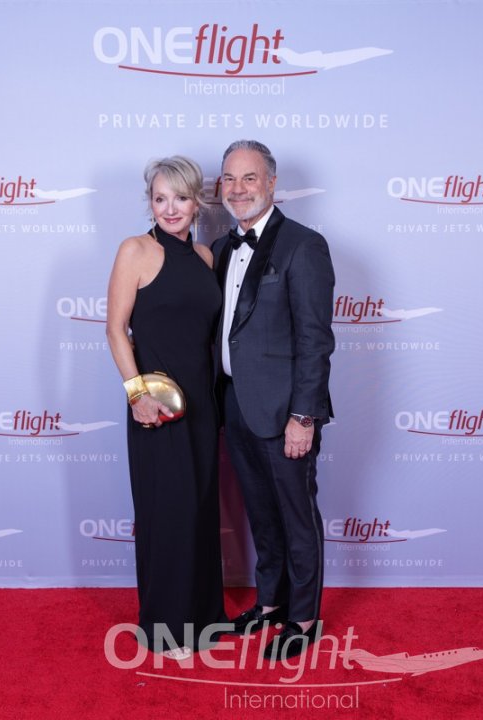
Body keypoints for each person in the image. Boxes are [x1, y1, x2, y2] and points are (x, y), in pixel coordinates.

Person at [212, 140, 335, 661]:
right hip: (235, 404)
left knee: (296, 516)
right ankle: (270, 604)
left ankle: (302, 619)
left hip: (287, 413)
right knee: (261, 515)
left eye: (250, 178)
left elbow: (315, 340)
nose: (238, 189)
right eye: (229, 178)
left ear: (271, 183)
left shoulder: (303, 246)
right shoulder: (220, 249)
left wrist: (303, 416)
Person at [106, 155, 227, 659]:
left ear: (197, 201)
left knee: (199, 510)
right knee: (167, 514)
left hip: (203, 405)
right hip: (155, 406)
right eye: (160, 198)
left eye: (180, 198)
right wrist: (137, 395)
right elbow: (116, 330)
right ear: (150, 203)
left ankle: (205, 618)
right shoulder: (135, 250)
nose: (170, 208)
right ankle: (165, 629)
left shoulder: (204, 257)